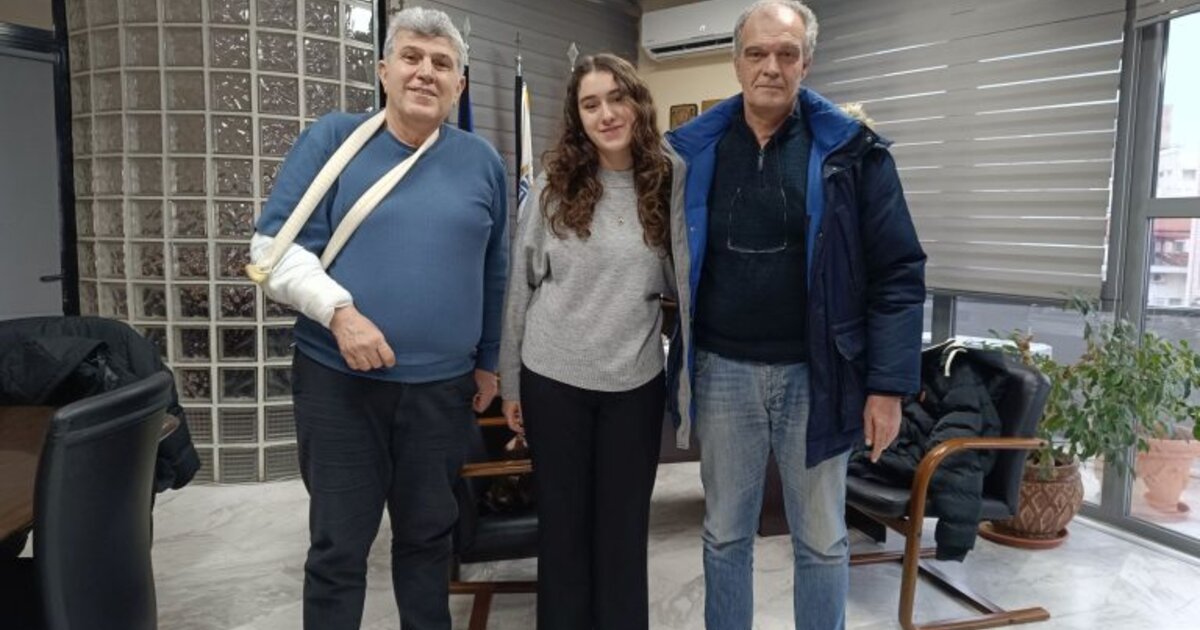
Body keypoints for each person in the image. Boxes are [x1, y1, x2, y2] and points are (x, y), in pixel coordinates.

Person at [664, 1, 927, 628]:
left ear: (806, 63)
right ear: (736, 63)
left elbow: (898, 271)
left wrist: (887, 386)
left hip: (819, 375)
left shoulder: (853, 154)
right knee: (724, 534)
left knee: (822, 539)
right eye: (757, 53)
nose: (771, 67)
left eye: (787, 54)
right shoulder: (692, 153)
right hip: (722, 371)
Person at [248, 7, 508, 629]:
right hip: (339, 385)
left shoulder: (482, 161)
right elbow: (272, 252)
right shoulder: (335, 140)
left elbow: (495, 269)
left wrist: (489, 362)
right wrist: (339, 313)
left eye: (441, 63)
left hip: (442, 391)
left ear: (459, 84)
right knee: (339, 546)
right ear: (385, 70)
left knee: (429, 538)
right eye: (412, 58)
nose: (425, 73)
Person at [498, 53, 690, 630]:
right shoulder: (554, 186)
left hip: (634, 385)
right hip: (553, 379)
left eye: (616, 98)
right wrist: (511, 382)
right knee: (563, 533)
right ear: (577, 116)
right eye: (590, 104)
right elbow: (520, 287)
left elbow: (682, 278)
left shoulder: (668, 181)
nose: (606, 113)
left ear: (637, 102)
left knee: (623, 534)